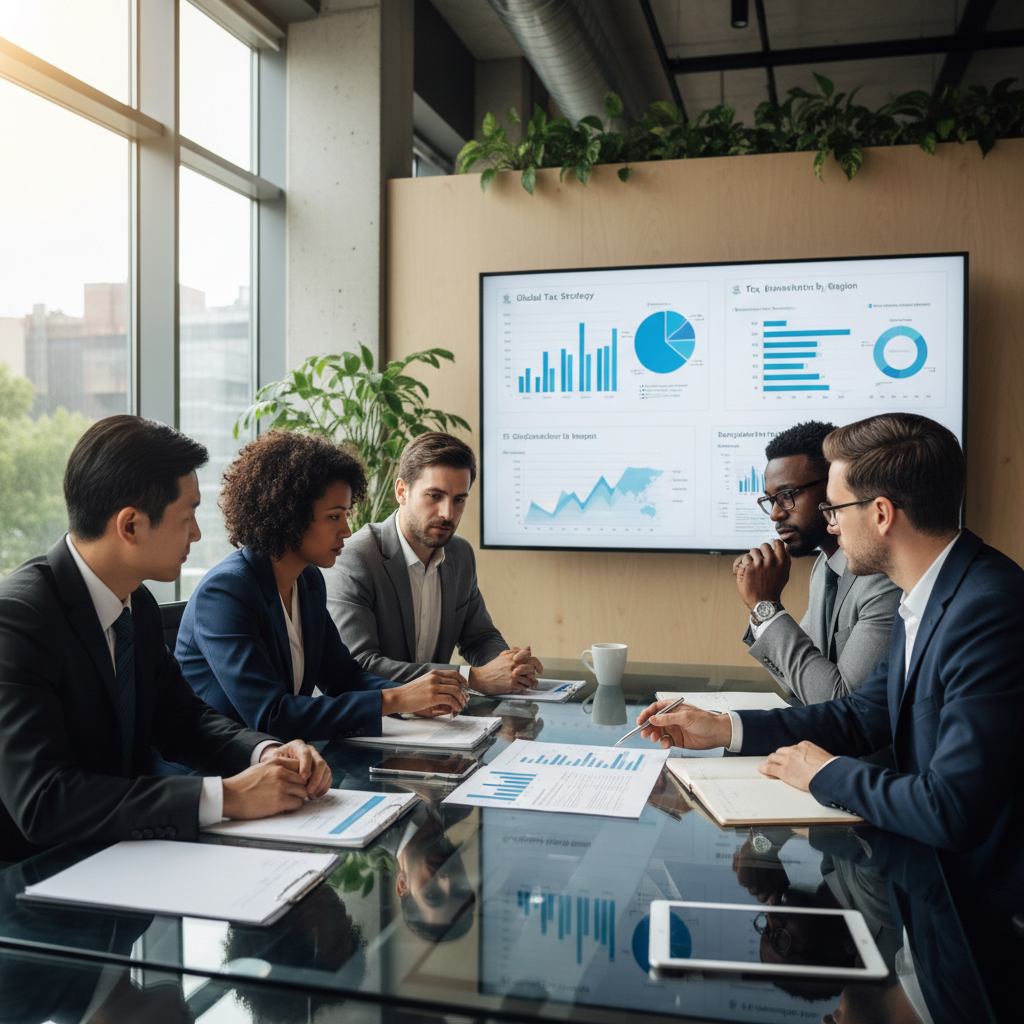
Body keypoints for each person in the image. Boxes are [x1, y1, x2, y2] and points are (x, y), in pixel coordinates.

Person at [637, 412, 1024, 1015]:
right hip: (932, 909)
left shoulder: (989, 608)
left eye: (836, 508)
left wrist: (822, 774)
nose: (828, 523)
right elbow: (862, 714)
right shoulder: (934, 592)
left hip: (982, 932)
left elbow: (952, 809)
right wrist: (727, 729)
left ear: (881, 513)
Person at [0, 415, 331, 863]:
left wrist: (265, 753)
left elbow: (182, 718)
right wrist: (224, 797)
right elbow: (44, 801)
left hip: (126, 862)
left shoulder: (137, 605)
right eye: (188, 516)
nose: (196, 533)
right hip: (30, 890)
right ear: (130, 526)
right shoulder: (18, 619)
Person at [176, 431, 471, 741]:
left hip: (285, 765)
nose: (346, 530)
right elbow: (271, 715)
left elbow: (343, 676)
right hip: (214, 776)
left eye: (345, 515)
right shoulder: (225, 592)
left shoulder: (308, 580)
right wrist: (395, 700)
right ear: (289, 516)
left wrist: (414, 698)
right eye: (334, 517)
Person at [324, 431, 543, 694]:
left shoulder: (460, 554)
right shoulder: (356, 558)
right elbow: (360, 666)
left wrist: (509, 666)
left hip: (438, 720)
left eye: (459, 499)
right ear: (402, 491)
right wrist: (470, 678)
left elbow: (479, 637)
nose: (448, 513)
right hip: (374, 723)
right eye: (434, 496)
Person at [734, 420, 900, 704]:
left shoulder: (885, 578)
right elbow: (802, 683)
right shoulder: (824, 567)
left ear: (834, 487)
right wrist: (761, 611)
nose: (775, 514)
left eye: (787, 495)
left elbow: (839, 701)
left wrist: (767, 607)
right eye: (771, 500)